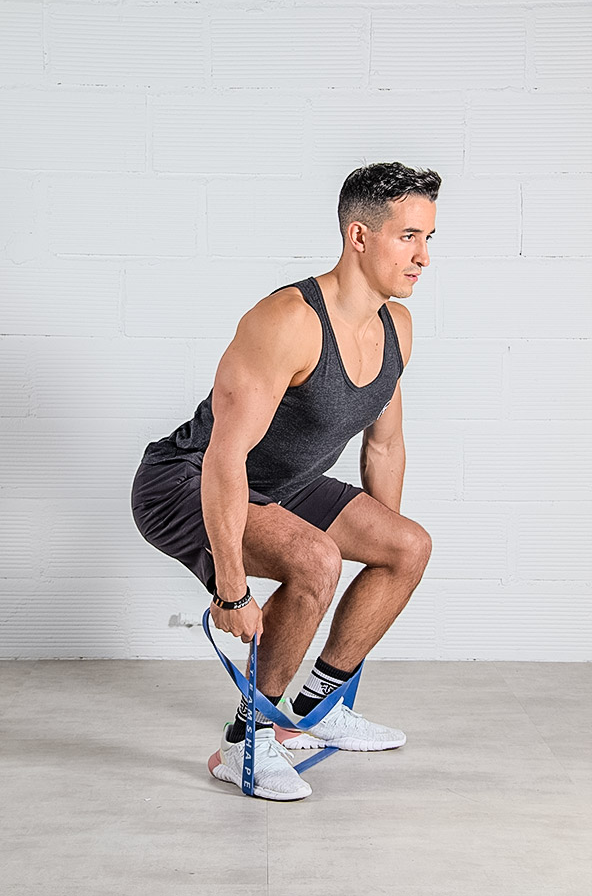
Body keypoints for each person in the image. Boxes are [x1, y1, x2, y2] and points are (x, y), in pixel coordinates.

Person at [130, 161, 440, 801]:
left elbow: (385, 444)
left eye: (429, 238)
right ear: (359, 236)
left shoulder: (396, 328)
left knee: (408, 546)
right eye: (408, 237)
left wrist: (380, 548)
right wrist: (233, 592)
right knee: (315, 560)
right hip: (185, 479)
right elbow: (224, 457)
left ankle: (315, 711)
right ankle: (244, 741)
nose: (423, 258)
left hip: (284, 482)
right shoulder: (289, 321)